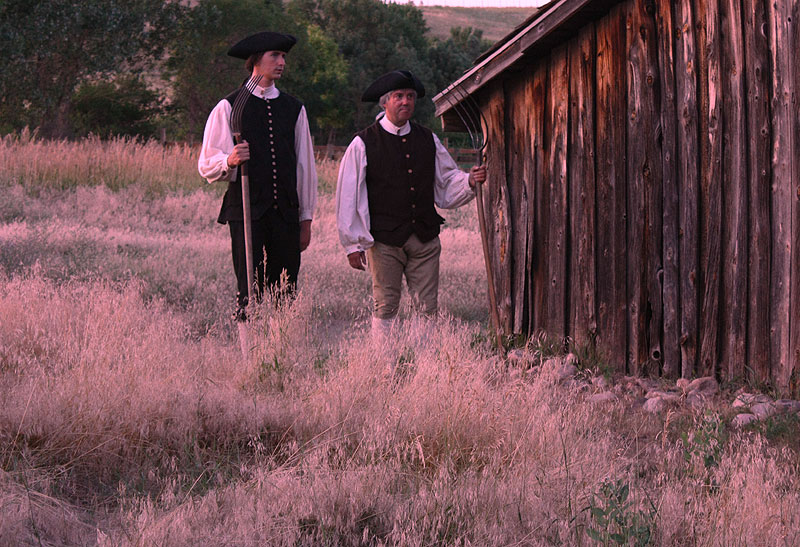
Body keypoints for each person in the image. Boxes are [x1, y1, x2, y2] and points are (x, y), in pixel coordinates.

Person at [336, 70, 487, 337]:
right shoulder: (363, 143)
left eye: (409, 96)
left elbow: (447, 179)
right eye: (398, 96)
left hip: (425, 238)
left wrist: (470, 182)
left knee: (427, 308)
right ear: (385, 102)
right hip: (384, 240)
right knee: (385, 306)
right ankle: (384, 369)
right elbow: (349, 195)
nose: (405, 101)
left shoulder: (428, 138)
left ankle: (423, 369)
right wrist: (352, 243)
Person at [198, 31, 317, 322]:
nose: (281, 63)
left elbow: (305, 167)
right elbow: (206, 164)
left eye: (284, 57)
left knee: (286, 291)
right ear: (256, 61)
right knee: (248, 292)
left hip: (286, 215)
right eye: (274, 56)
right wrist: (230, 159)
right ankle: (247, 355)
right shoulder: (230, 106)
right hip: (246, 212)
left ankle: (280, 350)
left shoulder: (294, 109)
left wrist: (306, 219)